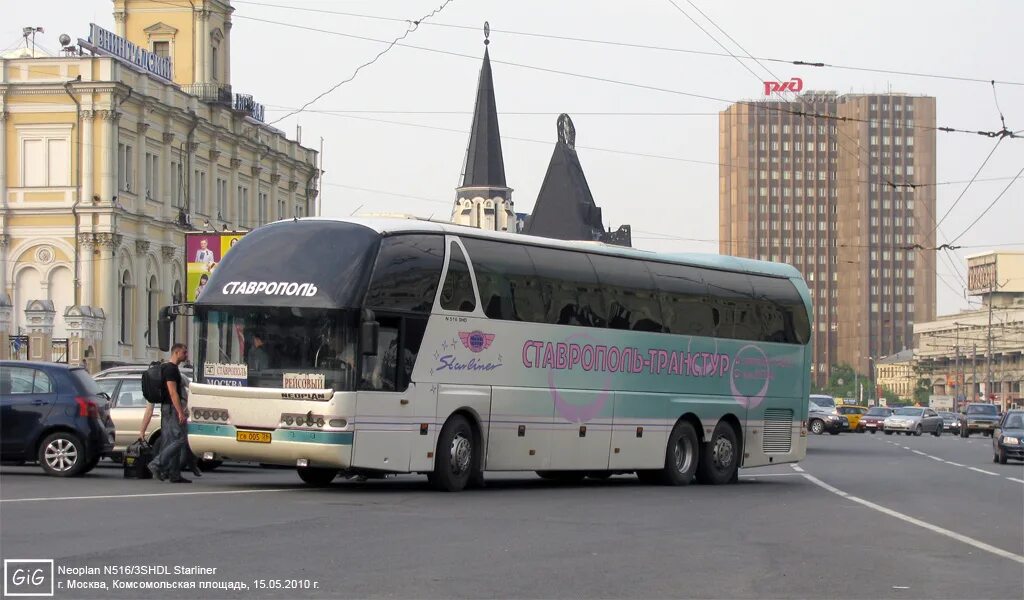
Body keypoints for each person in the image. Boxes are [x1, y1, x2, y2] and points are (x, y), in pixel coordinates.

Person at [139, 371, 201, 478]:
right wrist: (185, 409)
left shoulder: (155, 384)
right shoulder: (177, 376)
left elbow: (149, 410)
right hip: (178, 412)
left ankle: (174, 472)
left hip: (166, 413)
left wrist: (142, 431)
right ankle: (159, 466)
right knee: (181, 440)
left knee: (173, 441)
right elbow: (193, 390)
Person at [148, 343, 192, 483]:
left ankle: (174, 474)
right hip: (172, 409)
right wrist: (180, 411)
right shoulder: (171, 370)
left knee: (170, 441)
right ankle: (156, 464)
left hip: (167, 408)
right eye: (184, 353)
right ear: (176, 352)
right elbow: (173, 393)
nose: (186, 355)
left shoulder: (168, 368)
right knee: (180, 440)